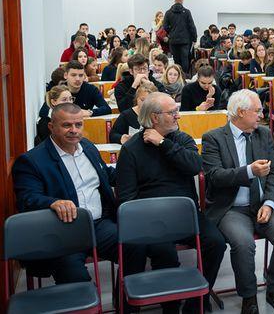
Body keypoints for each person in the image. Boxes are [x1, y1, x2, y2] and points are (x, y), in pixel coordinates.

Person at [12, 103, 147, 312]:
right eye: (66, 125)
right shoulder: (32, 161)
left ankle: (125, 308)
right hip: (63, 230)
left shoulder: (89, 148)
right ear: (51, 127)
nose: (74, 130)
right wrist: (52, 202)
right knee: (74, 277)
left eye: (78, 124)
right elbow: (27, 198)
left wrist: (139, 174)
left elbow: (106, 176)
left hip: (100, 224)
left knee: (135, 246)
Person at [116, 92, 226, 313]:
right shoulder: (131, 149)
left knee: (216, 242)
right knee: (164, 252)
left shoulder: (180, 139)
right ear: (155, 118)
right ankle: (171, 306)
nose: (178, 116)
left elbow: (195, 166)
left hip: (185, 215)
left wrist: (164, 144)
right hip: (151, 219)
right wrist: (148, 218)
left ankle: (197, 301)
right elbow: (126, 197)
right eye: (172, 112)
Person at [202, 90, 274, 314]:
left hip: (261, 203)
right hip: (231, 207)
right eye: (257, 111)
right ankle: (249, 297)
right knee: (244, 244)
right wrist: (249, 172)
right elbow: (215, 176)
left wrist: (270, 203)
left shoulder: (263, 134)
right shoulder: (213, 138)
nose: (261, 115)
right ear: (241, 112)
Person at [39, 61, 110, 119]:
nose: (78, 79)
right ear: (66, 76)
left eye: (81, 75)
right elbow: (43, 112)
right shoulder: (59, 89)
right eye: (73, 75)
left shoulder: (91, 89)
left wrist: (89, 112)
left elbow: (107, 109)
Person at [163, 0, 197, 75]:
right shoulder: (187, 12)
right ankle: (184, 75)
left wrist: (171, 32)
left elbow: (165, 26)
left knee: (176, 59)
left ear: (174, 1)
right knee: (185, 58)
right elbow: (192, 26)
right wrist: (194, 38)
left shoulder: (168, 12)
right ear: (182, 1)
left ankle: (176, 75)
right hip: (185, 40)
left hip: (173, 40)